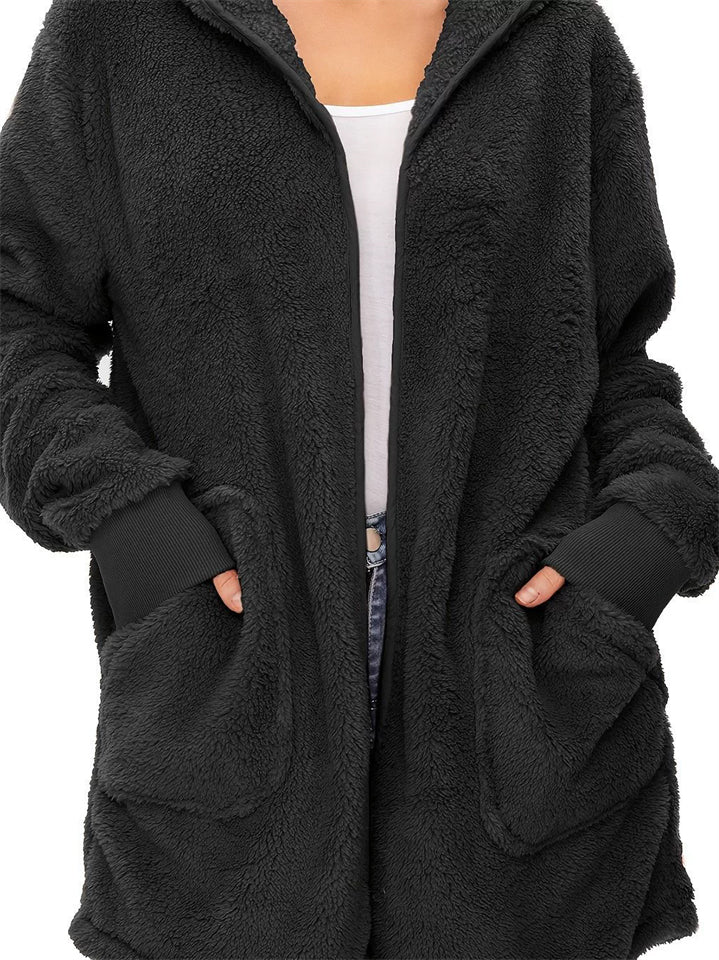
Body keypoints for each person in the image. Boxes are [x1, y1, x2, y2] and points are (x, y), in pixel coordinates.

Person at [1, 1, 717, 958]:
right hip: (228, 660)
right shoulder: (116, 32)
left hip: (523, 675)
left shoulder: (555, 39)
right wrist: (139, 527)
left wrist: (647, 533)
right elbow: (18, 321)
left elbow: (617, 356)